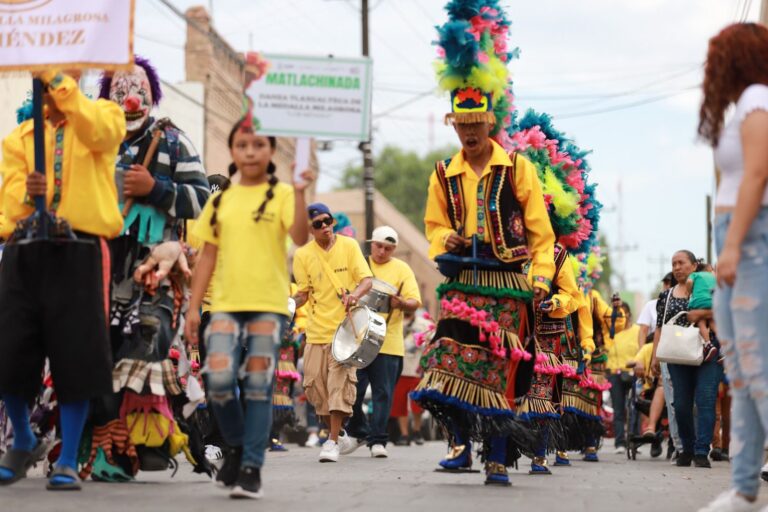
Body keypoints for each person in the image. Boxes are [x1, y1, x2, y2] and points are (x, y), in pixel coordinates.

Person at [411, 7, 556, 484]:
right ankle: (461, 440)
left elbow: (541, 234)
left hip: (509, 283)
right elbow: (433, 226)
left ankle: (497, 455)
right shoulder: (442, 173)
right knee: (442, 363)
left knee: (499, 370)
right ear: (453, 123)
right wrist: (443, 237)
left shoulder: (518, 168)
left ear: (490, 120)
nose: (470, 133)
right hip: (463, 281)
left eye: (478, 124)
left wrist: (539, 278)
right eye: (463, 125)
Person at [81, 56, 210, 482]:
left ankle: (146, 439)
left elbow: (201, 200)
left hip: (156, 264)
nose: (131, 98)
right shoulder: (94, 142)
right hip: (98, 264)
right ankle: (104, 444)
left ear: (152, 93)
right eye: (120, 90)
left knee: (146, 341)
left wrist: (156, 189)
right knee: (96, 351)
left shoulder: (173, 141)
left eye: (137, 90)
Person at [0, 69, 125, 490]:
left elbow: (100, 135)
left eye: (65, 67)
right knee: (9, 349)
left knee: (77, 355)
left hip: (79, 250)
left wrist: (53, 77)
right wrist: (27, 192)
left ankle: (69, 458)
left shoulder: (103, 115)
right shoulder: (20, 137)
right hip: (25, 249)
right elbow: (10, 209)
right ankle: (24, 435)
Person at [184, 119, 313, 499]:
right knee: (218, 383)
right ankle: (237, 447)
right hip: (223, 307)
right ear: (233, 152)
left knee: (257, 388)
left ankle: (251, 465)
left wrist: (302, 192)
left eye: (258, 144)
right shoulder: (221, 200)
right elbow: (207, 255)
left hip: (268, 307)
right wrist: (193, 308)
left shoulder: (284, 195)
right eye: (243, 145)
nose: (251, 151)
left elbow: (301, 237)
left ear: (270, 151)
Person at [697, 22, 768, 512]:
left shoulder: (757, 98)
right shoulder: (741, 103)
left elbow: (760, 171)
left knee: (759, 366)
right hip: (734, 239)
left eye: (717, 56)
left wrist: (734, 244)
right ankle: (744, 490)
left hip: (752, 240)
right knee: (740, 373)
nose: (709, 66)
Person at [292, 203, 373, 463]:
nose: (325, 226)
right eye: (318, 224)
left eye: (328, 221)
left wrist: (355, 295)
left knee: (340, 386)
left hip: (345, 331)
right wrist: (289, 304)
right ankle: (339, 434)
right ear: (310, 228)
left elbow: (366, 280)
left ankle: (332, 440)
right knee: (315, 387)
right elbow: (304, 293)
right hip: (315, 332)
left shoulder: (349, 246)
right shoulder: (303, 255)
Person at [346, 226, 421, 458]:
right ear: (371, 243)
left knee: (383, 393)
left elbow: (414, 301)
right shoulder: (359, 263)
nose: (382, 251)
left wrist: (402, 303)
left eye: (388, 248)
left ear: (394, 249)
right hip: (357, 339)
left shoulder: (402, 268)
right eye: (379, 246)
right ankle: (359, 430)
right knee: (352, 391)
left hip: (388, 341)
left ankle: (378, 440)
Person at [652, 250, 720, 469]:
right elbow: (660, 327)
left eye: (681, 263)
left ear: (693, 266)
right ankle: (686, 449)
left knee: (706, 400)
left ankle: (701, 451)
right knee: (680, 405)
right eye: (674, 264)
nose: (677, 267)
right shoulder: (667, 295)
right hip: (677, 354)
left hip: (707, 353)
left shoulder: (707, 286)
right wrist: (655, 357)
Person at [391, 310, 433, 446]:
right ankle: (404, 434)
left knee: (418, 403)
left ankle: (417, 430)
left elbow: (432, 339)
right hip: (399, 368)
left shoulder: (424, 324)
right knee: (399, 403)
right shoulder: (393, 321)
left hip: (417, 368)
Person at [605, 303, 642, 454]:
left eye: (623, 313)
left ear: (629, 315)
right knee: (618, 409)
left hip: (633, 373)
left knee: (635, 407)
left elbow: (642, 349)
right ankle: (620, 442)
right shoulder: (611, 331)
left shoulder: (638, 330)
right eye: (617, 314)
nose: (621, 317)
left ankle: (635, 441)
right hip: (614, 372)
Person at [687, 263, 718, 359]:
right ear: (708, 268)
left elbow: (688, 282)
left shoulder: (695, 274)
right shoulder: (713, 275)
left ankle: (708, 344)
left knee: (701, 322)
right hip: (713, 301)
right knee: (713, 323)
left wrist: (690, 291)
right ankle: (724, 347)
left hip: (699, 302)